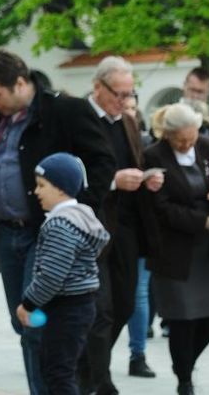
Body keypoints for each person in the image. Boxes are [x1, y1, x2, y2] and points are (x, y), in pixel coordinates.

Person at [0, 49, 115, 395]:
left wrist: (75, 211)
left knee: (38, 323)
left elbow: (102, 161)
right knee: (24, 323)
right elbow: (1, 165)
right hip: (7, 233)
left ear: (20, 83)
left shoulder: (65, 110)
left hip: (47, 233)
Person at [142, 102, 209, 395]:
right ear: (167, 134)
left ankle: (186, 364)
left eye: (191, 138)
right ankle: (184, 379)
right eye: (180, 140)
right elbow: (162, 209)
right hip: (174, 249)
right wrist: (204, 222)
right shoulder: (153, 156)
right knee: (182, 319)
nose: (187, 144)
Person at [81, 56, 165, 395]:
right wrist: (114, 181)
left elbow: (136, 162)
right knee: (101, 309)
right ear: (98, 87)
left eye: (131, 94)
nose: (125, 101)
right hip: (94, 223)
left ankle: (89, 368)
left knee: (126, 304)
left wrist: (148, 179)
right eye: (119, 94)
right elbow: (75, 172)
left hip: (127, 225)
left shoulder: (128, 122)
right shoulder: (81, 119)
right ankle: (99, 380)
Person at [16, 153, 111, 395]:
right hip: (79, 306)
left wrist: (28, 303)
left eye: (41, 186)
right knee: (62, 369)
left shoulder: (60, 225)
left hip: (66, 308)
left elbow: (52, 275)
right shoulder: (81, 218)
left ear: (61, 189)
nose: (36, 192)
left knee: (58, 373)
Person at [124, 96, 158, 379]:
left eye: (133, 107)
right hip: (110, 229)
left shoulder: (149, 146)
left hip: (140, 230)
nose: (128, 112)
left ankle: (138, 353)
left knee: (139, 293)